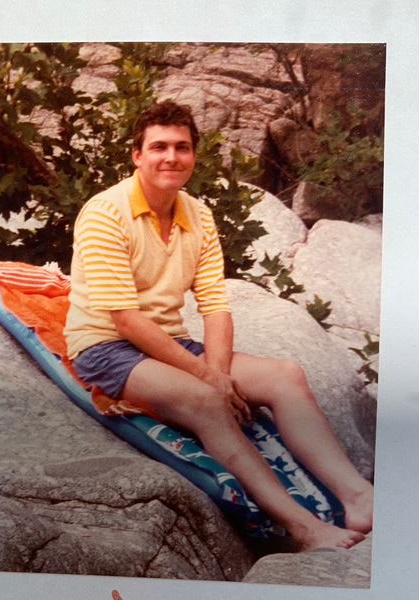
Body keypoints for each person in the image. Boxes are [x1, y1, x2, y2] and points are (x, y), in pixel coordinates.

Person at [64, 100, 373, 551]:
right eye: (159, 147)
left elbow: (214, 305)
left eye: (182, 147)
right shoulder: (105, 213)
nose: (171, 157)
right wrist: (212, 381)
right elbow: (125, 319)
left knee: (285, 375)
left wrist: (222, 373)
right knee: (207, 398)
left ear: (194, 155)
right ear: (137, 155)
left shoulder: (198, 214)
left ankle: (358, 495)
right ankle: (303, 528)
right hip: (106, 347)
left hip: (169, 341)